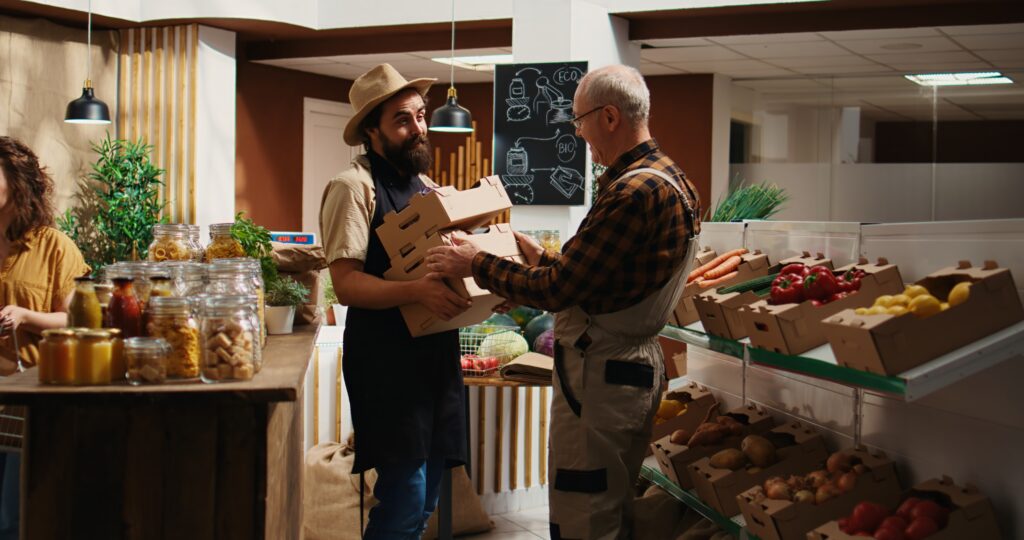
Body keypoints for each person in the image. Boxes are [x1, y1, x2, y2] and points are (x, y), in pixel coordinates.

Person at [425, 65, 702, 540]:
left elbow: (557, 291)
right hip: (632, 369)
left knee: (585, 509)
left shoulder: (630, 193)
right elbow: (604, 280)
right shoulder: (672, 179)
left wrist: (475, 262)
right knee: (613, 503)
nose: (578, 133)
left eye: (580, 120)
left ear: (610, 117)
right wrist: (543, 258)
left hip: (601, 376)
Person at [318, 64, 469, 538]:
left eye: (421, 116)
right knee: (404, 499)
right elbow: (346, 285)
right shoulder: (353, 187)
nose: (418, 128)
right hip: (386, 361)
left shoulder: (428, 188)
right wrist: (417, 291)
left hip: (436, 357)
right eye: (402, 120)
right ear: (372, 130)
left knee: (427, 501)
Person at [0, 135, 91, 540]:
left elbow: (78, 321)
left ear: (18, 183)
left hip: (30, 405)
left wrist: (25, 316)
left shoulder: (54, 247)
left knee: (16, 519)